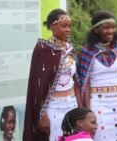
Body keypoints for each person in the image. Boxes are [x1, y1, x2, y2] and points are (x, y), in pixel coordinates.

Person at [23, 8, 82, 141]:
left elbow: (75, 80)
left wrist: (81, 107)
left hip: (71, 104)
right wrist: (42, 115)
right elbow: (37, 86)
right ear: (52, 26)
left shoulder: (70, 50)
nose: (68, 30)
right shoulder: (42, 50)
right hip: (52, 107)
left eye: (69, 26)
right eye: (64, 26)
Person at [78, 10, 117, 141]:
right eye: (106, 27)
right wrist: (87, 111)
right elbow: (85, 84)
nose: (110, 31)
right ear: (96, 30)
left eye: (113, 27)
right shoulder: (87, 51)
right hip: (98, 104)